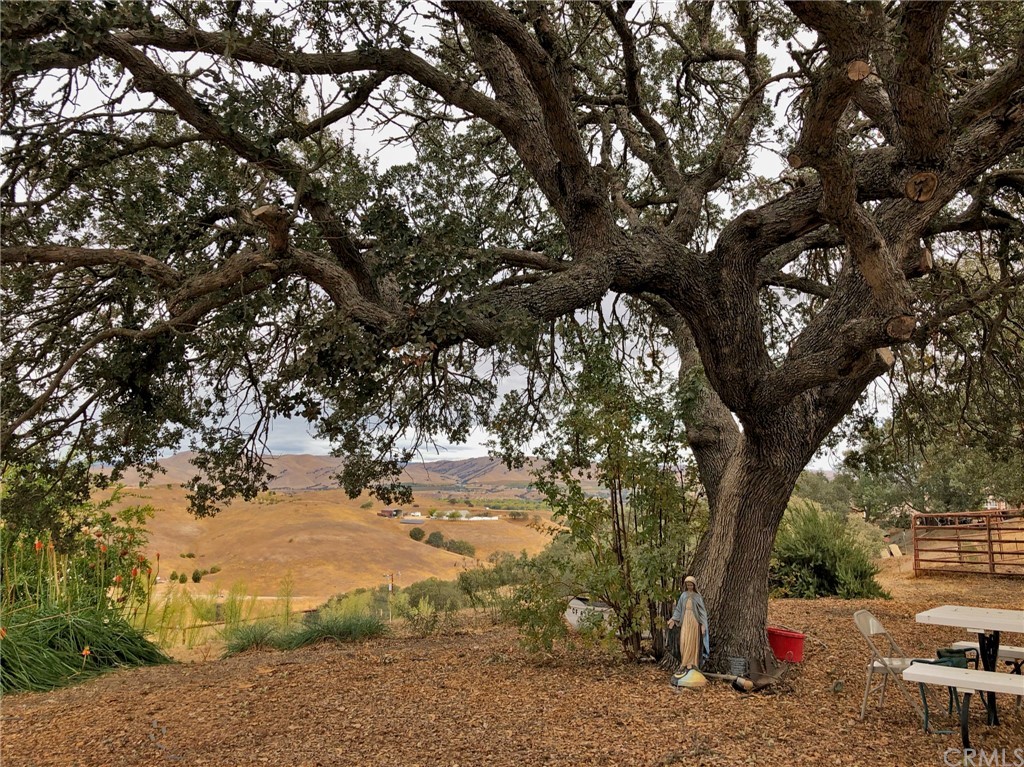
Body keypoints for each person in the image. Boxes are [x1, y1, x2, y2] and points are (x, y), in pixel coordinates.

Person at [667, 575, 709, 670]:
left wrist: (703, 625)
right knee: (684, 640)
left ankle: (691, 663)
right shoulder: (683, 595)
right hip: (685, 620)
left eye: (691, 585)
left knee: (692, 641)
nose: (689, 587)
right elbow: (678, 609)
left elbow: (702, 612)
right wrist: (673, 619)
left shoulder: (697, 597)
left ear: (694, 585)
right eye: (688, 585)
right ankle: (684, 662)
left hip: (694, 621)